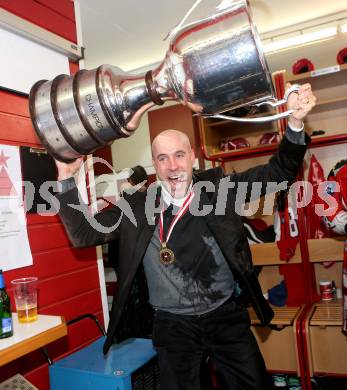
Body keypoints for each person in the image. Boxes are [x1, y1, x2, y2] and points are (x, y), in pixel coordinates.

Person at [55, 83, 316, 390]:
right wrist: (65, 178)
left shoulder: (220, 190)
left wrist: (296, 123)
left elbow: (276, 174)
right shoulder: (137, 206)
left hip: (224, 316)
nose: (172, 166)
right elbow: (84, 233)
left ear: (192, 157)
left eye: (179, 155)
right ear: (155, 164)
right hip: (172, 325)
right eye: (162, 158)